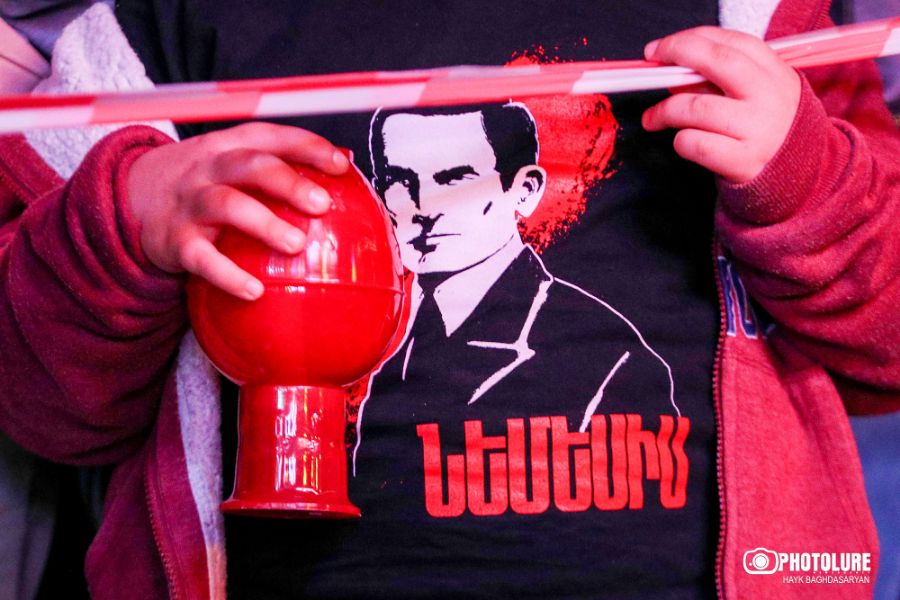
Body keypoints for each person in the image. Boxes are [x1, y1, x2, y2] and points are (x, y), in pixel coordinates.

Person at [0, 1, 897, 599]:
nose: (421, 211)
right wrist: (126, 218)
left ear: (523, 190)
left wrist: (805, 179)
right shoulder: (155, 33)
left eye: (454, 179)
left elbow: (887, 350)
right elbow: (41, 408)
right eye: (402, 184)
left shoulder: (757, 17)